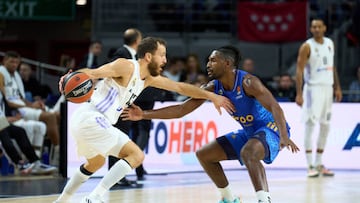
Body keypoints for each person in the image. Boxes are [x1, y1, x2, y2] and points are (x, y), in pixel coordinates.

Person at [53, 37, 233, 203]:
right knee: (136, 155)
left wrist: (211, 96)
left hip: (85, 121)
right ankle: (94, 197)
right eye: (162, 55)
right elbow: (92, 73)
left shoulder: (147, 79)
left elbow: (180, 87)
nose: (165, 60)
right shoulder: (126, 66)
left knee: (96, 163)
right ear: (148, 56)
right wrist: (71, 77)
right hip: (92, 118)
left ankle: (61, 201)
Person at [121, 46, 299, 203]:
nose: (208, 64)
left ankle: (263, 200)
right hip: (250, 132)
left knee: (248, 152)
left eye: (213, 60)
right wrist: (144, 114)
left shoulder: (248, 82)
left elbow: (275, 107)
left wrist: (284, 135)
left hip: (272, 128)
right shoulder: (213, 88)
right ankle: (229, 199)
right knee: (204, 155)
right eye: (208, 60)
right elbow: (181, 109)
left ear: (227, 63)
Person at [295, 18, 342, 177]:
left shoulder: (330, 43)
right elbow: (299, 71)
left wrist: (337, 86)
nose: (316, 29)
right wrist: (299, 93)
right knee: (310, 125)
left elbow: (332, 66)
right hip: (312, 90)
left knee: (325, 125)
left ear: (324, 28)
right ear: (311, 29)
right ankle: (310, 165)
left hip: (327, 89)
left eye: (319, 26)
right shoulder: (307, 46)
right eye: (313, 27)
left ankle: (319, 162)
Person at [0, 51, 61, 166]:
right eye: (11, 61)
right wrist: (30, 106)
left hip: (16, 110)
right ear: (4, 61)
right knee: (50, 117)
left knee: (57, 116)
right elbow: (7, 102)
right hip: (13, 112)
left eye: (16, 62)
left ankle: (38, 160)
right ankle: (57, 152)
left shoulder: (15, 76)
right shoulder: (1, 74)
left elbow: (19, 98)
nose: (14, 65)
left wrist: (34, 103)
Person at [109, 28, 150, 183]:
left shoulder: (135, 56)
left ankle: (120, 175)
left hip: (131, 105)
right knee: (117, 141)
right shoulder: (121, 55)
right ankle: (116, 177)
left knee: (125, 139)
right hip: (119, 106)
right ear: (137, 41)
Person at [0, 91, 57, 175]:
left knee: (20, 131)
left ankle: (35, 162)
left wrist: (7, 119)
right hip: (1, 123)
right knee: (3, 133)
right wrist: (9, 119)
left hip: (2, 122)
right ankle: (19, 164)